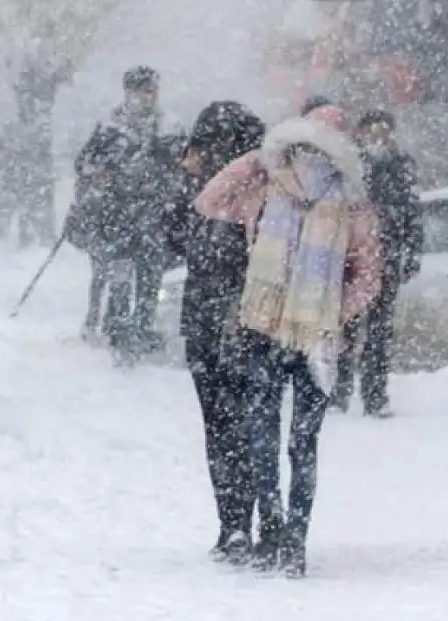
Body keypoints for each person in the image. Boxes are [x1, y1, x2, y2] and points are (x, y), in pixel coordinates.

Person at [194, 105, 382, 577]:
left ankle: (280, 533)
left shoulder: (309, 194)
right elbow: (210, 200)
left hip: (286, 334)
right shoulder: (304, 194)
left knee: (275, 438)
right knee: (293, 442)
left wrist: (332, 312)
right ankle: (288, 536)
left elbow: (210, 200)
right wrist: (334, 311)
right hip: (293, 335)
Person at [161, 101, 266, 563]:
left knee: (231, 426)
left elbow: (170, 239)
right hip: (226, 322)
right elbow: (168, 239)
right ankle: (238, 523)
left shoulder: (258, 189)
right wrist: (186, 180)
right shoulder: (209, 192)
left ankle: (240, 522)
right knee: (234, 425)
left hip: (235, 320)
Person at [70, 65, 186, 364]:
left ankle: (143, 327)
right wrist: (102, 176)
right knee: (119, 273)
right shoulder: (109, 127)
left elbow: (183, 169)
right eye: (142, 90)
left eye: (152, 90)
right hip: (115, 215)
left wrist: (171, 189)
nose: (147, 97)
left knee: (150, 276)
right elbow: (84, 164)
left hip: (154, 215)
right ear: (128, 92)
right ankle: (118, 327)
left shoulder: (169, 127)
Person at [333, 109, 421, 418]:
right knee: (346, 326)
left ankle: (375, 395)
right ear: (361, 133)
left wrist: (411, 250)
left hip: (387, 256)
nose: (378, 138)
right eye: (373, 131)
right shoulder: (349, 166)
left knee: (380, 331)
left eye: (384, 132)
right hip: (353, 258)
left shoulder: (401, 166)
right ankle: (339, 391)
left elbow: (412, 211)